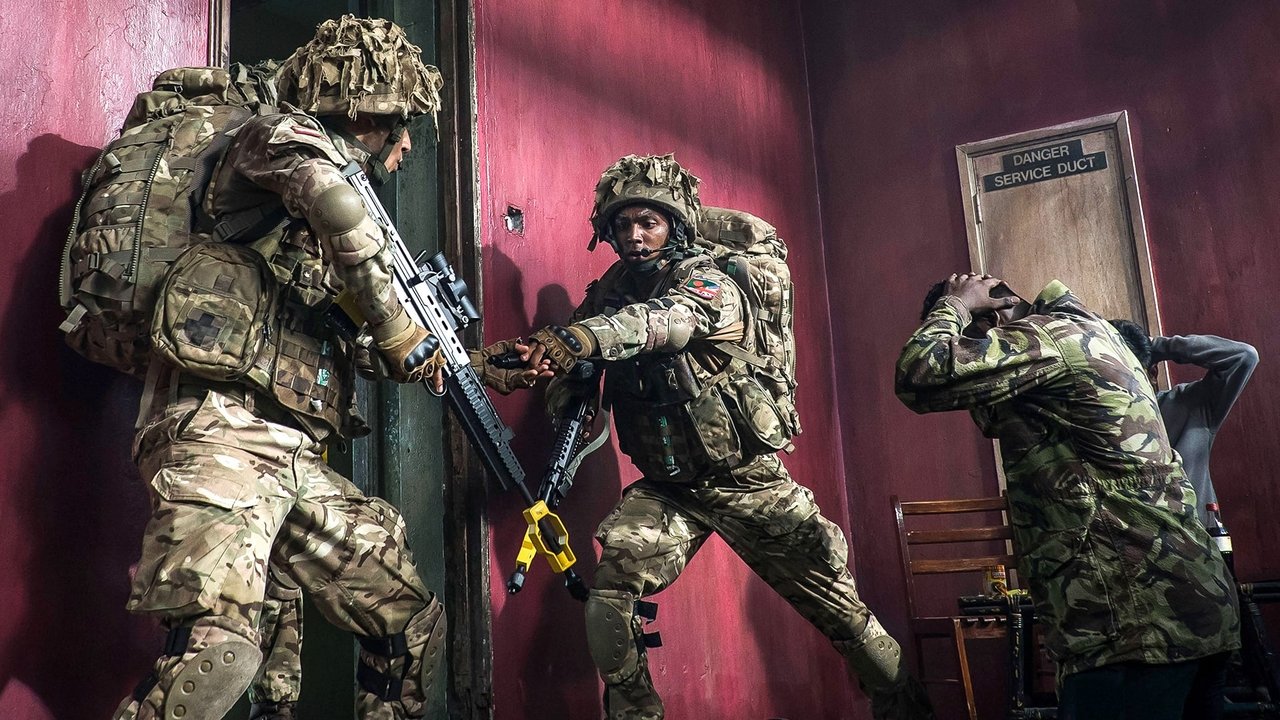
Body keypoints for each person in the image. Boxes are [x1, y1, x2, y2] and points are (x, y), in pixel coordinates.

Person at [113, 16, 536, 720]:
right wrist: (399, 325)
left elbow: (346, 333)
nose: (405, 147)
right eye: (401, 126)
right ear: (366, 111)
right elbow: (337, 206)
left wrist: (453, 360)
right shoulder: (277, 136)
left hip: (296, 454)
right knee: (213, 662)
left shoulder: (295, 234)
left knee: (407, 624)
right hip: (219, 432)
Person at [525, 154, 932, 720]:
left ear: (674, 225)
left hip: (748, 481)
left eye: (649, 222)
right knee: (609, 598)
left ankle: (907, 709)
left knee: (847, 621)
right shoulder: (610, 293)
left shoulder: (709, 281)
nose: (635, 236)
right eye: (623, 225)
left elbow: (666, 322)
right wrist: (539, 373)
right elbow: (578, 360)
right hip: (670, 487)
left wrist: (580, 342)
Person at [896, 273, 1241, 720]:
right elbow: (993, 413)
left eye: (970, 341)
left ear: (990, 319)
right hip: (1190, 606)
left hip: (1132, 619)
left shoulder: (1045, 339)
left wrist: (955, 305)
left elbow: (919, 375)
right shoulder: (1093, 334)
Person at [1108, 320, 1258, 526]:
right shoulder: (1097, 419)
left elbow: (1244, 357)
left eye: (1130, 375)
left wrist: (1154, 346)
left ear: (1152, 374)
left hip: (1198, 540)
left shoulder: (1190, 404)